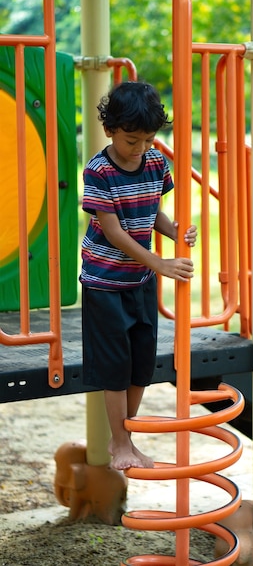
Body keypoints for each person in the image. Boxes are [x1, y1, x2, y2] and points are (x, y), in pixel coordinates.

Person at [80, 81, 197, 471]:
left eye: (148, 139)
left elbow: (152, 210)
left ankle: (126, 439)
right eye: (132, 140)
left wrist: (175, 231)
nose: (140, 148)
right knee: (114, 363)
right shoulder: (98, 171)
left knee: (142, 359)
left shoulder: (155, 161)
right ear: (110, 129)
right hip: (105, 281)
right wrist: (160, 263)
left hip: (140, 278)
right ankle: (120, 440)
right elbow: (113, 231)